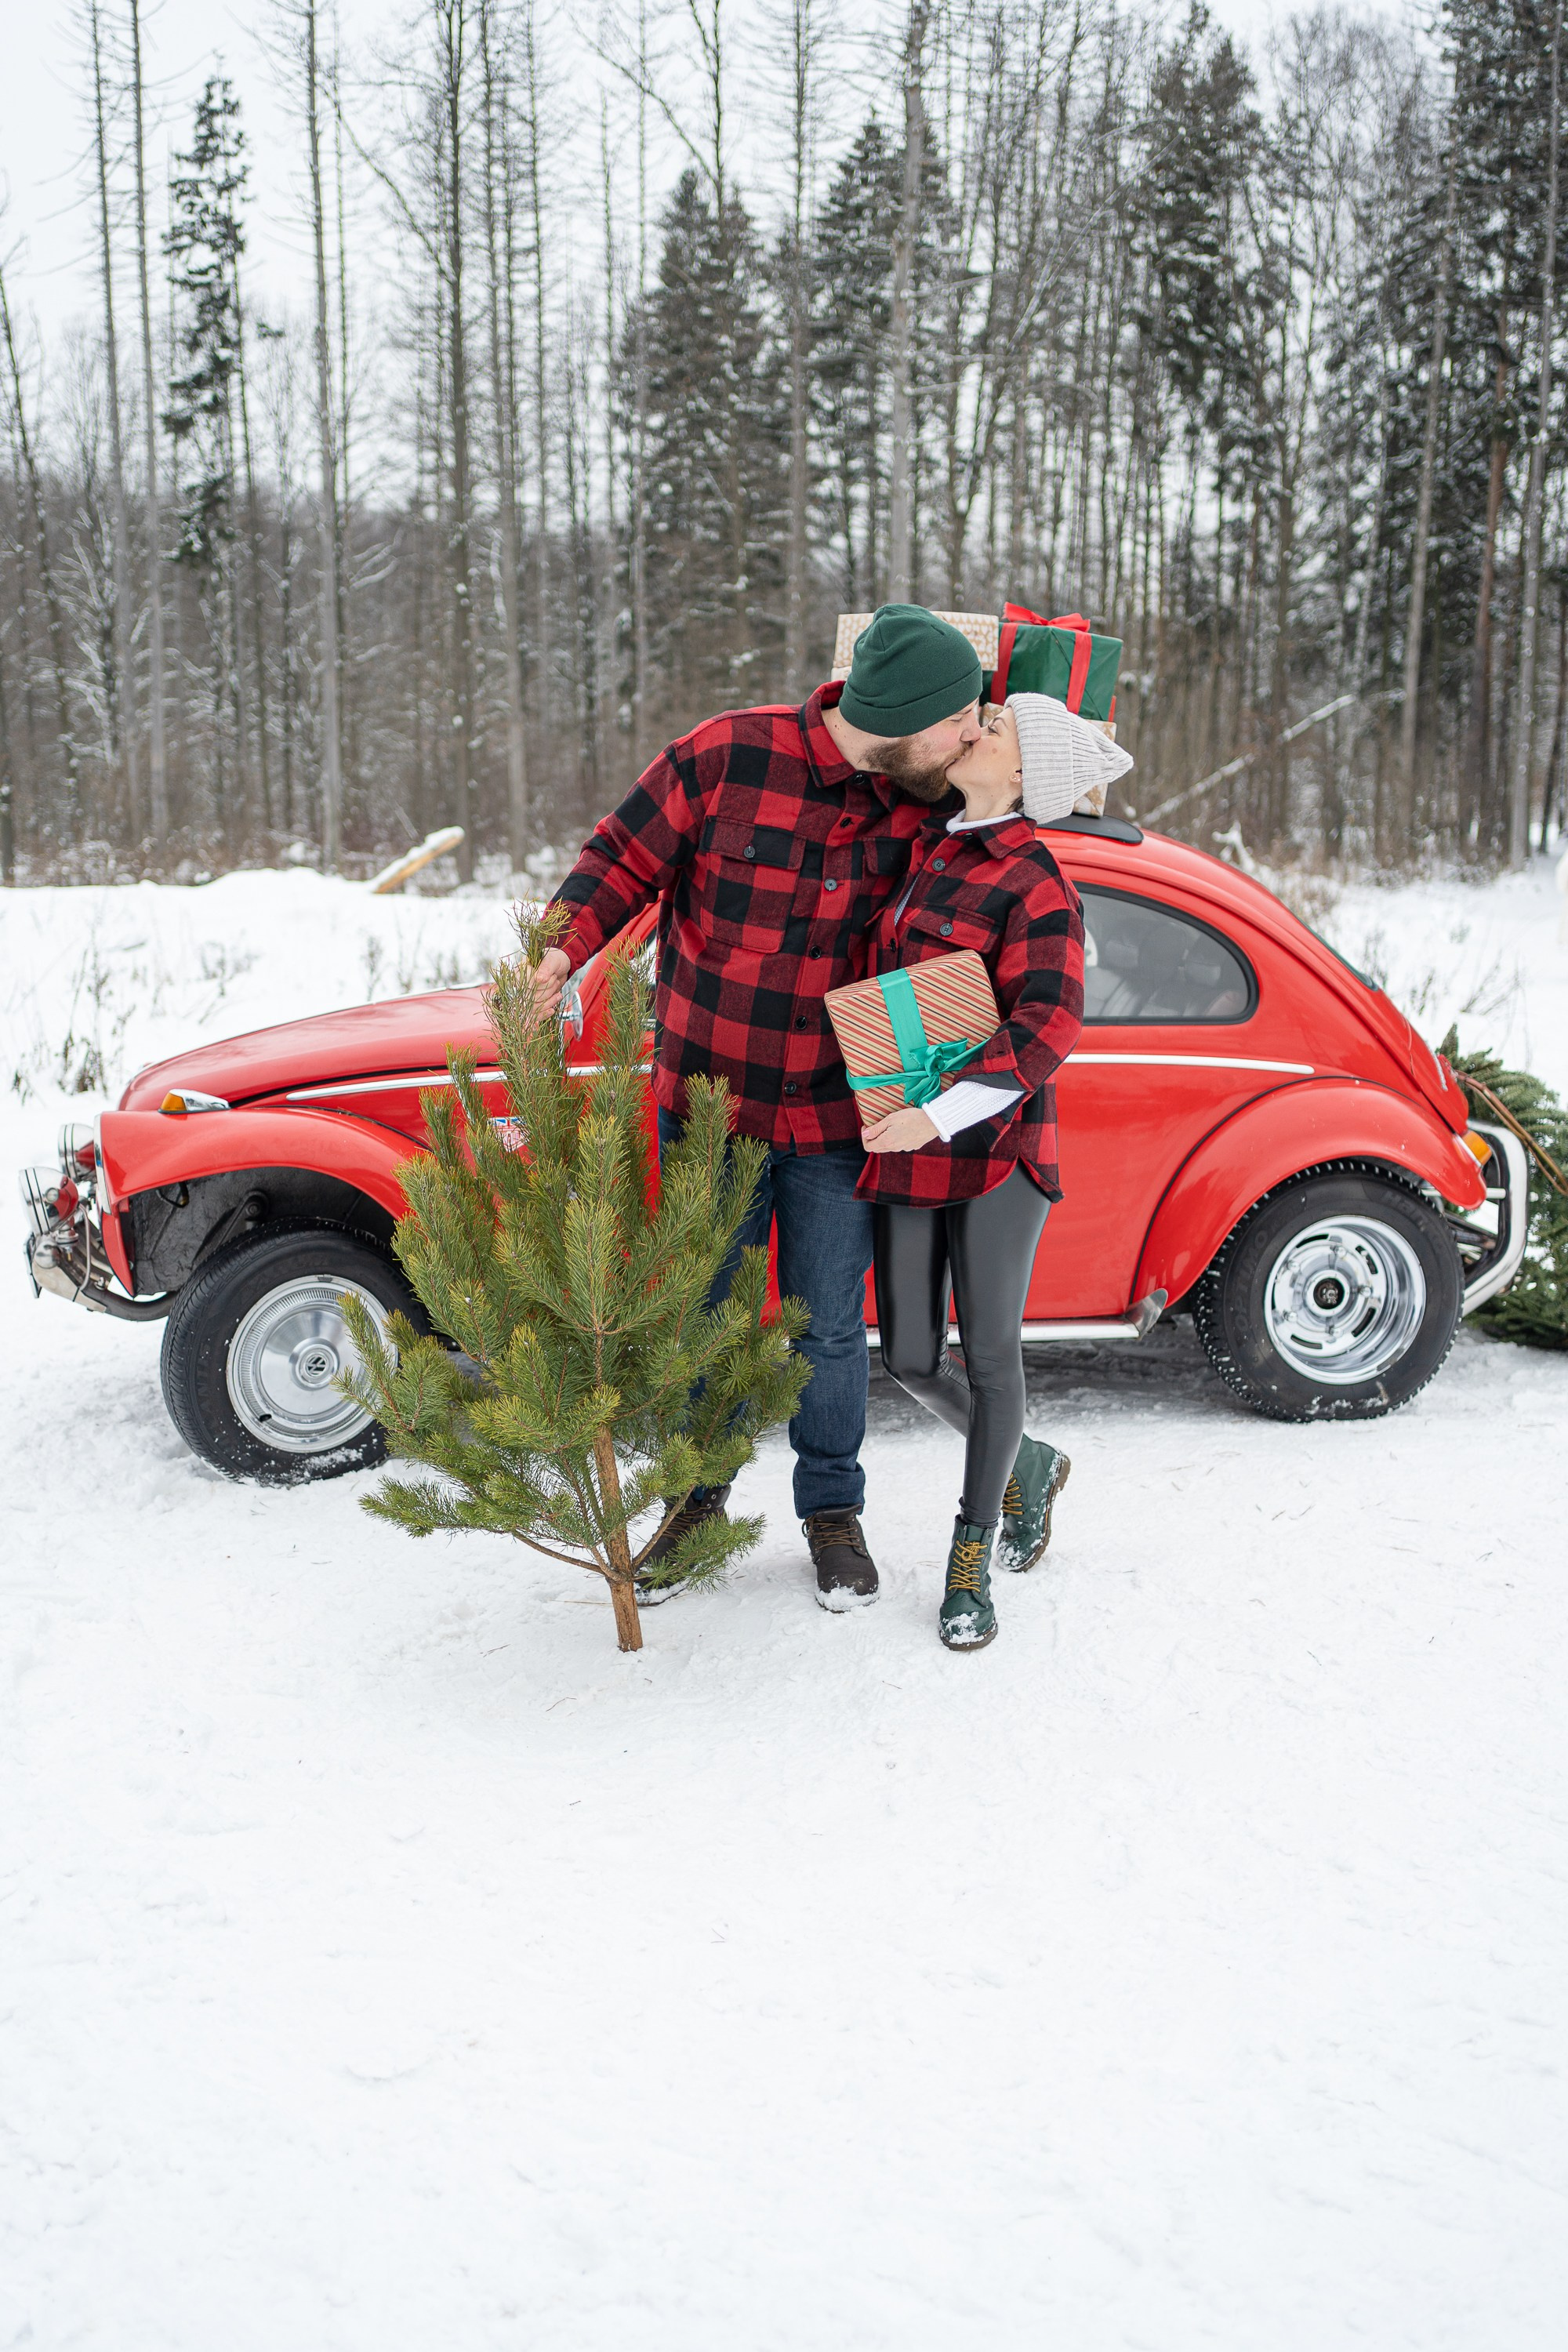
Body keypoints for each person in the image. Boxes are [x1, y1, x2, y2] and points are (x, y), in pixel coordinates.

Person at [531, 605, 985, 1610]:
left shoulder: (930, 799)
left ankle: (831, 1510)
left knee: (826, 1329)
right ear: (900, 715)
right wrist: (562, 947)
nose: (968, 733)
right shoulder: (721, 759)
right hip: (706, 1111)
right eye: (957, 716)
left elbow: (1009, 867)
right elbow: (619, 857)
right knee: (707, 1316)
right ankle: (697, 1501)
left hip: (837, 1116)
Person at [858, 693, 1131, 1650]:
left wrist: (932, 1112)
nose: (976, 728)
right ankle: (1029, 1461)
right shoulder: (930, 844)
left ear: (1026, 776)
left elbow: (1047, 1029)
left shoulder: (1038, 882)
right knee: (906, 1358)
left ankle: (969, 1563)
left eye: (998, 727)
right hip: (907, 1142)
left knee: (990, 1355)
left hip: (997, 1150)